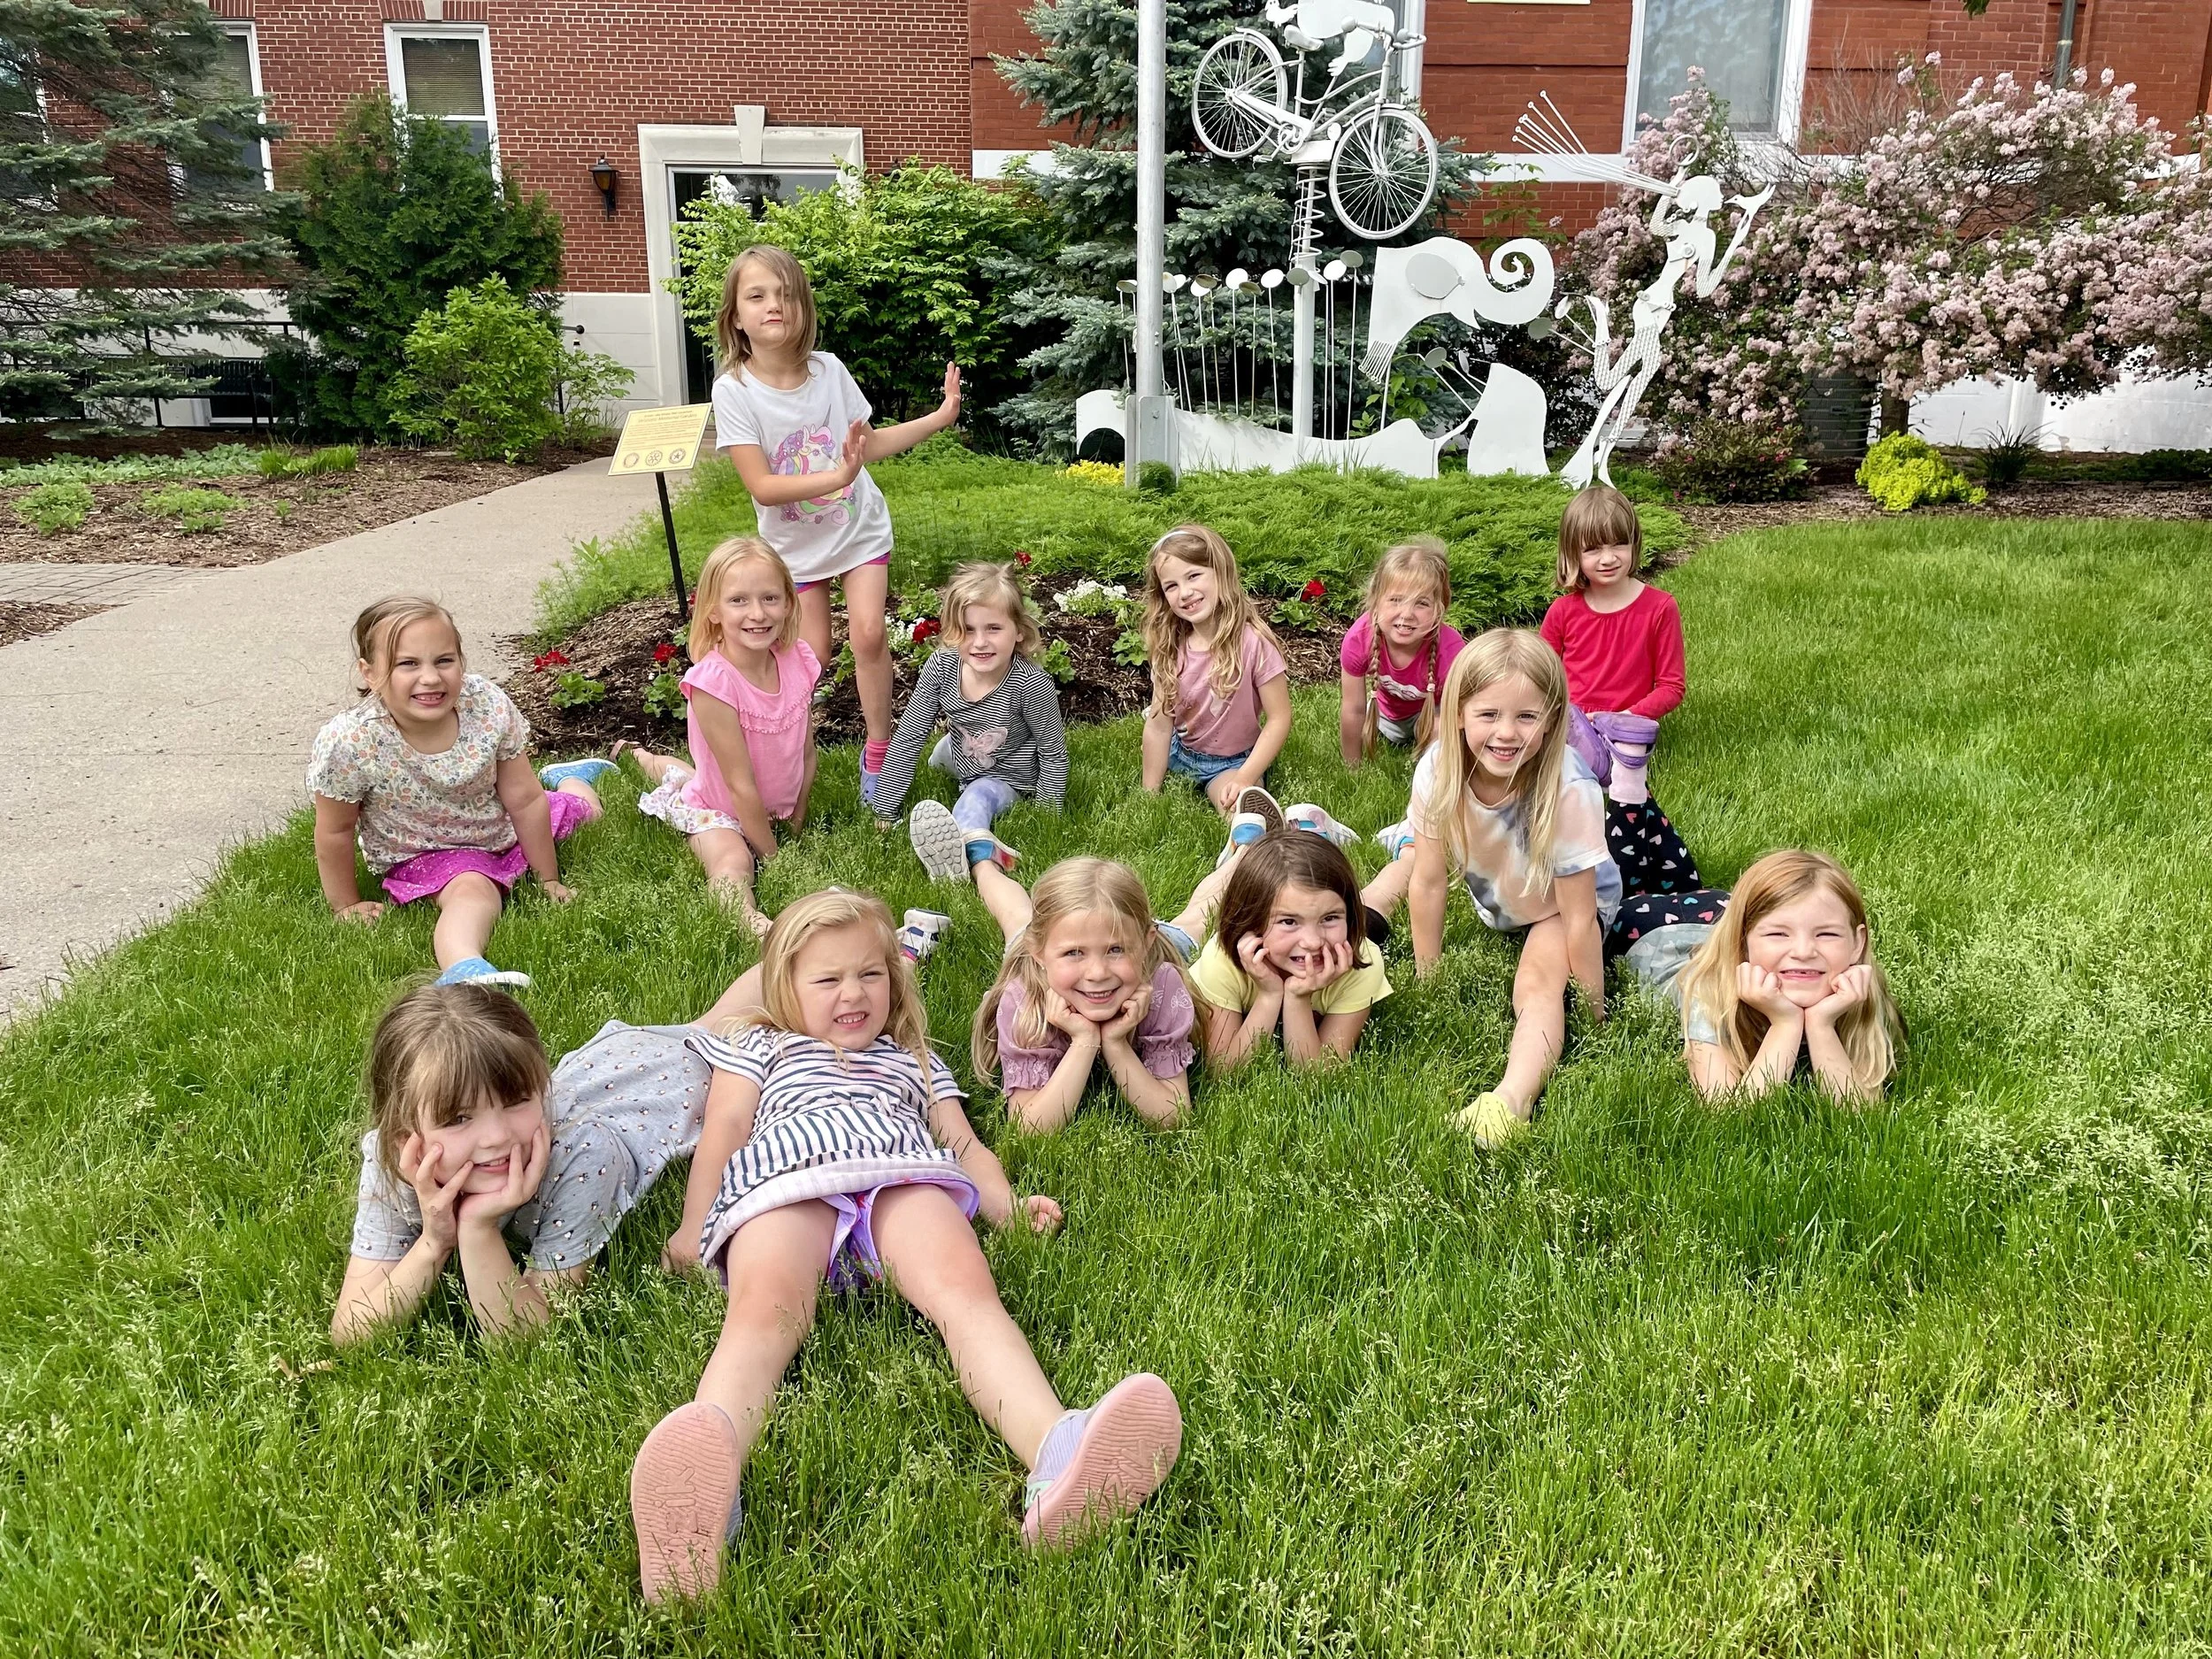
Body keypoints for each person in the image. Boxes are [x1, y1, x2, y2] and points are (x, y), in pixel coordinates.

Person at [634, 889, 1183, 1603]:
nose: (853, 993)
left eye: (871, 973)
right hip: (788, 1179)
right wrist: (692, 1223)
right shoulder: (759, 1044)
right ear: (783, 987)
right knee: (763, 1314)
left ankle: (1060, 1450)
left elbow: (962, 1141)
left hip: (901, 1175)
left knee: (967, 1293)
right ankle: (706, 1492)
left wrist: (1005, 1204)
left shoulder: (916, 1058)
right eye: (827, 980)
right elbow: (726, 1132)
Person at [710, 244, 960, 805]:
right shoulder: (734, 391)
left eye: (786, 294)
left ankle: (880, 752)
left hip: (858, 531)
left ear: (803, 308)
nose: (774, 305)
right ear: (736, 316)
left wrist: (939, 418)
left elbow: (867, 446)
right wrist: (837, 474)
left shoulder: (829, 371)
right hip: (794, 548)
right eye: (757, 296)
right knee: (811, 656)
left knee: (870, 633)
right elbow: (763, 486)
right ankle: (781, 755)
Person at [329, 982, 703, 1345]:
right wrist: (433, 1242)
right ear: (405, 1137)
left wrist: (477, 1227)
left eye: (515, 1100)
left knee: (729, 1024)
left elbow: (528, 1335)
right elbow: (350, 1331)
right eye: (458, 1118)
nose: (496, 1136)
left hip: (681, 1075)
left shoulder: (581, 1154)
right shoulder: (395, 1162)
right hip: (615, 1059)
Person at [1378, 630, 1622, 1148]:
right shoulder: (1437, 770)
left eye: (1527, 717)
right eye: (1488, 714)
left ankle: (1511, 1100)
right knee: (1410, 857)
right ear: (1458, 712)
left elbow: (1579, 918)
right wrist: (1429, 975)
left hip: (1561, 904)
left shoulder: (1568, 788)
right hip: (1504, 895)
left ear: (1552, 719)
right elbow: (1429, 879)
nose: (1506, 733)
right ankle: (1360, 913)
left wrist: (1596, 1011)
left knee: (1533, 986)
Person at [310, 595, 607, 987]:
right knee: (474, 891)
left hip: (499, 830)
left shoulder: (485, 707)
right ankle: (465, 968)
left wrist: (547, 878)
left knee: (586, 811)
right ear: (370, 673)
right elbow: (335, 830)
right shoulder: (352, 742)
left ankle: (571, 777)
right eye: (408, 664)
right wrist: (345, 904)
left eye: (444, 660)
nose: (431, 678)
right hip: (426, 852)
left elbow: (524, 799)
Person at [626, 537, 818, 937]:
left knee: (685, 774)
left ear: (788, 602)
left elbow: (806, 751)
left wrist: (796, 820)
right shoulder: (714, 686)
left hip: (758, 801)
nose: (757, 614)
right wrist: (774, 855)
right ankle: (751, 921)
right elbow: (739, 786)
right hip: (720, 808)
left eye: (769, 598)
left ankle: (642, 756)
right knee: (732, 860)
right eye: (738, 601)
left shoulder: (796, 659)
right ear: (712, 610)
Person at [1539, 484, 1700, 899]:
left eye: (1618, 544)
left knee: (1616, 790)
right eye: (1592, 549)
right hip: (1571, 725)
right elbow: (1540, 675)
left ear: (1634, 544)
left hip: (1626, 730)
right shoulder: (1563, 611)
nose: (1607, 558)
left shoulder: (1660, 607)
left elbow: (1671, 687)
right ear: (1573, 555)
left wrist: (1625, 718)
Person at [872, 561, 1069, 884]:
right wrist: (886, 808)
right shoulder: (942, 667)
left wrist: (1047, 816)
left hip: (1008, 773)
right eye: (967, 630)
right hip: (962, 750)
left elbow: (1052, 751)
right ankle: (956, 783)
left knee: (977, 795)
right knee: (939, 757)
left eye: (993, 628)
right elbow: (910, 735)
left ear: (1018, 630)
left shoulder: (1030, 684)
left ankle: (964, 847)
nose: (980, 642)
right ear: (952, 632)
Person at [970, 856, 1197, 1133]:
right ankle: (982, 860)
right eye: (1074, 953)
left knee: (1194, 922)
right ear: (1039, 953)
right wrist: (1085, 1040)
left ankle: (1241, 847)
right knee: (1015, 916)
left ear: (1146, 942)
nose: (1097, 973)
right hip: (1037, 946)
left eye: (1115, 950)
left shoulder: (1161, 986)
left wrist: (1115, 1044)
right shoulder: (1025, 1000)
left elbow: (1173, 1117)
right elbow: (1030, 1130)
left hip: (1153, 943)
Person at [1671, 849, 1902, 1102]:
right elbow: (1727, 1116)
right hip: (1658, 930)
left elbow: (1862, 1114)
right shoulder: (1709, 991)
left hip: (1713, 910)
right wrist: (1786, 1024)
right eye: (1778, 935)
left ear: (1857, 943)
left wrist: (1821, 1024)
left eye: (1827, 934)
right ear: (1741, 942)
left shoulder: (1859, 988)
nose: (1803, 952)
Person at [1182, 828, 1391, 1069]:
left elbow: (1317, 1076)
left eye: (1331, 918)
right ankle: (1244, 847)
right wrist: (1269, 995)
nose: (1313, 942)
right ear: (1250, 922)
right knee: (1199, 910)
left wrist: (1298, 997)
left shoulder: (1361, 963)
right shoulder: (1222, 960)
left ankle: (1408, 850)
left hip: (1361, 922)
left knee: (1377, 901)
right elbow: (1224, 1071)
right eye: (1289, 922)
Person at [1139, 525, 1292, 816]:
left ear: (1220, 573)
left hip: (1232, 762)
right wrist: (1149, 796)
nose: (1185, 593)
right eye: (1171, 586)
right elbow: (1159, 727)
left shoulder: (1253, 644)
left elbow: (1279, 719)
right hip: (1180, 752)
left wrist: (1244, 777)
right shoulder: (1170, 646)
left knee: (1243, 811)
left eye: (1194, 575)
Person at [1339, 535, 1466, 766]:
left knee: (1441, 729)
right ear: (1375, 602)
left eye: (1422, 603)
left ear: (1440, 609)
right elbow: (1353, 709)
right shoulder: (1359, 638)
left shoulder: (1453, 654)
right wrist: (1352, 768)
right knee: (1368, 716)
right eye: (1395, 600)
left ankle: (1430, 772)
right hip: (1384, 716)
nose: (1406, 614)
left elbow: (1459, 718)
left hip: (1431, 715)